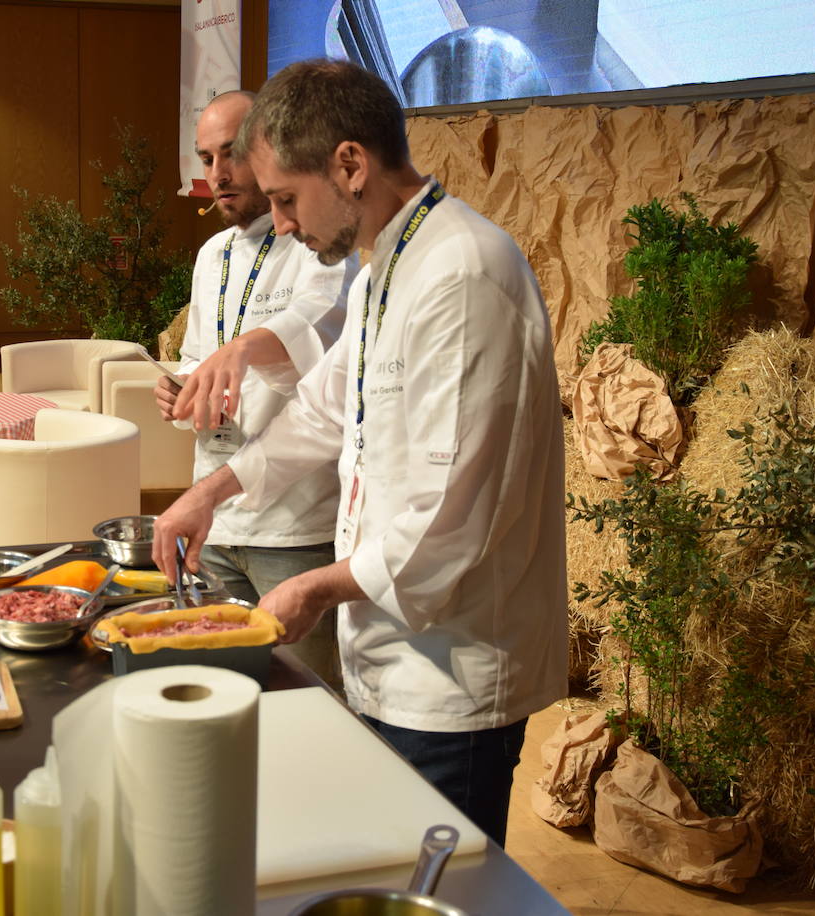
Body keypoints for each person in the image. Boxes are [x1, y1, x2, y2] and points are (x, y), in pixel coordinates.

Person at [153, 60, 568, 847]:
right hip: (386, 656)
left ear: (349, 165)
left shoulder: (465, 273)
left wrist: (311, 587)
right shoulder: (388, 262)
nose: (278, 224)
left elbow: (447, 522)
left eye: (284, 199)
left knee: (440, 889)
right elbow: (323, 409)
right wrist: (212, 491)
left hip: (452, 674)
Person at [157, 89, 356, 689]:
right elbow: (198, 359)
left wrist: (242, 349)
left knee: (306, 699)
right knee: (224, 689)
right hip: (213, 513)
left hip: (294, 528)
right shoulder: (211, 254)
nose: (217, 175)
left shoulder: (317, 239)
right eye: (206, 158)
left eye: (230, 155)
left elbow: (318, 330)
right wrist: (180, 389)